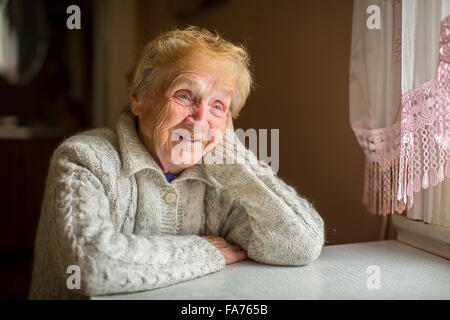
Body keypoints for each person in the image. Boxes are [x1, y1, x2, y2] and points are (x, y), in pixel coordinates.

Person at [28, 26, 325, 299]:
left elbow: (300, 244)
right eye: (184, 95)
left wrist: (236, 163)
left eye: (218, 106)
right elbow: (90, 264)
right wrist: (205, 252)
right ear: (137, 98)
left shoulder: (223, 179)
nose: (200, 120)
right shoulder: (84, 158)